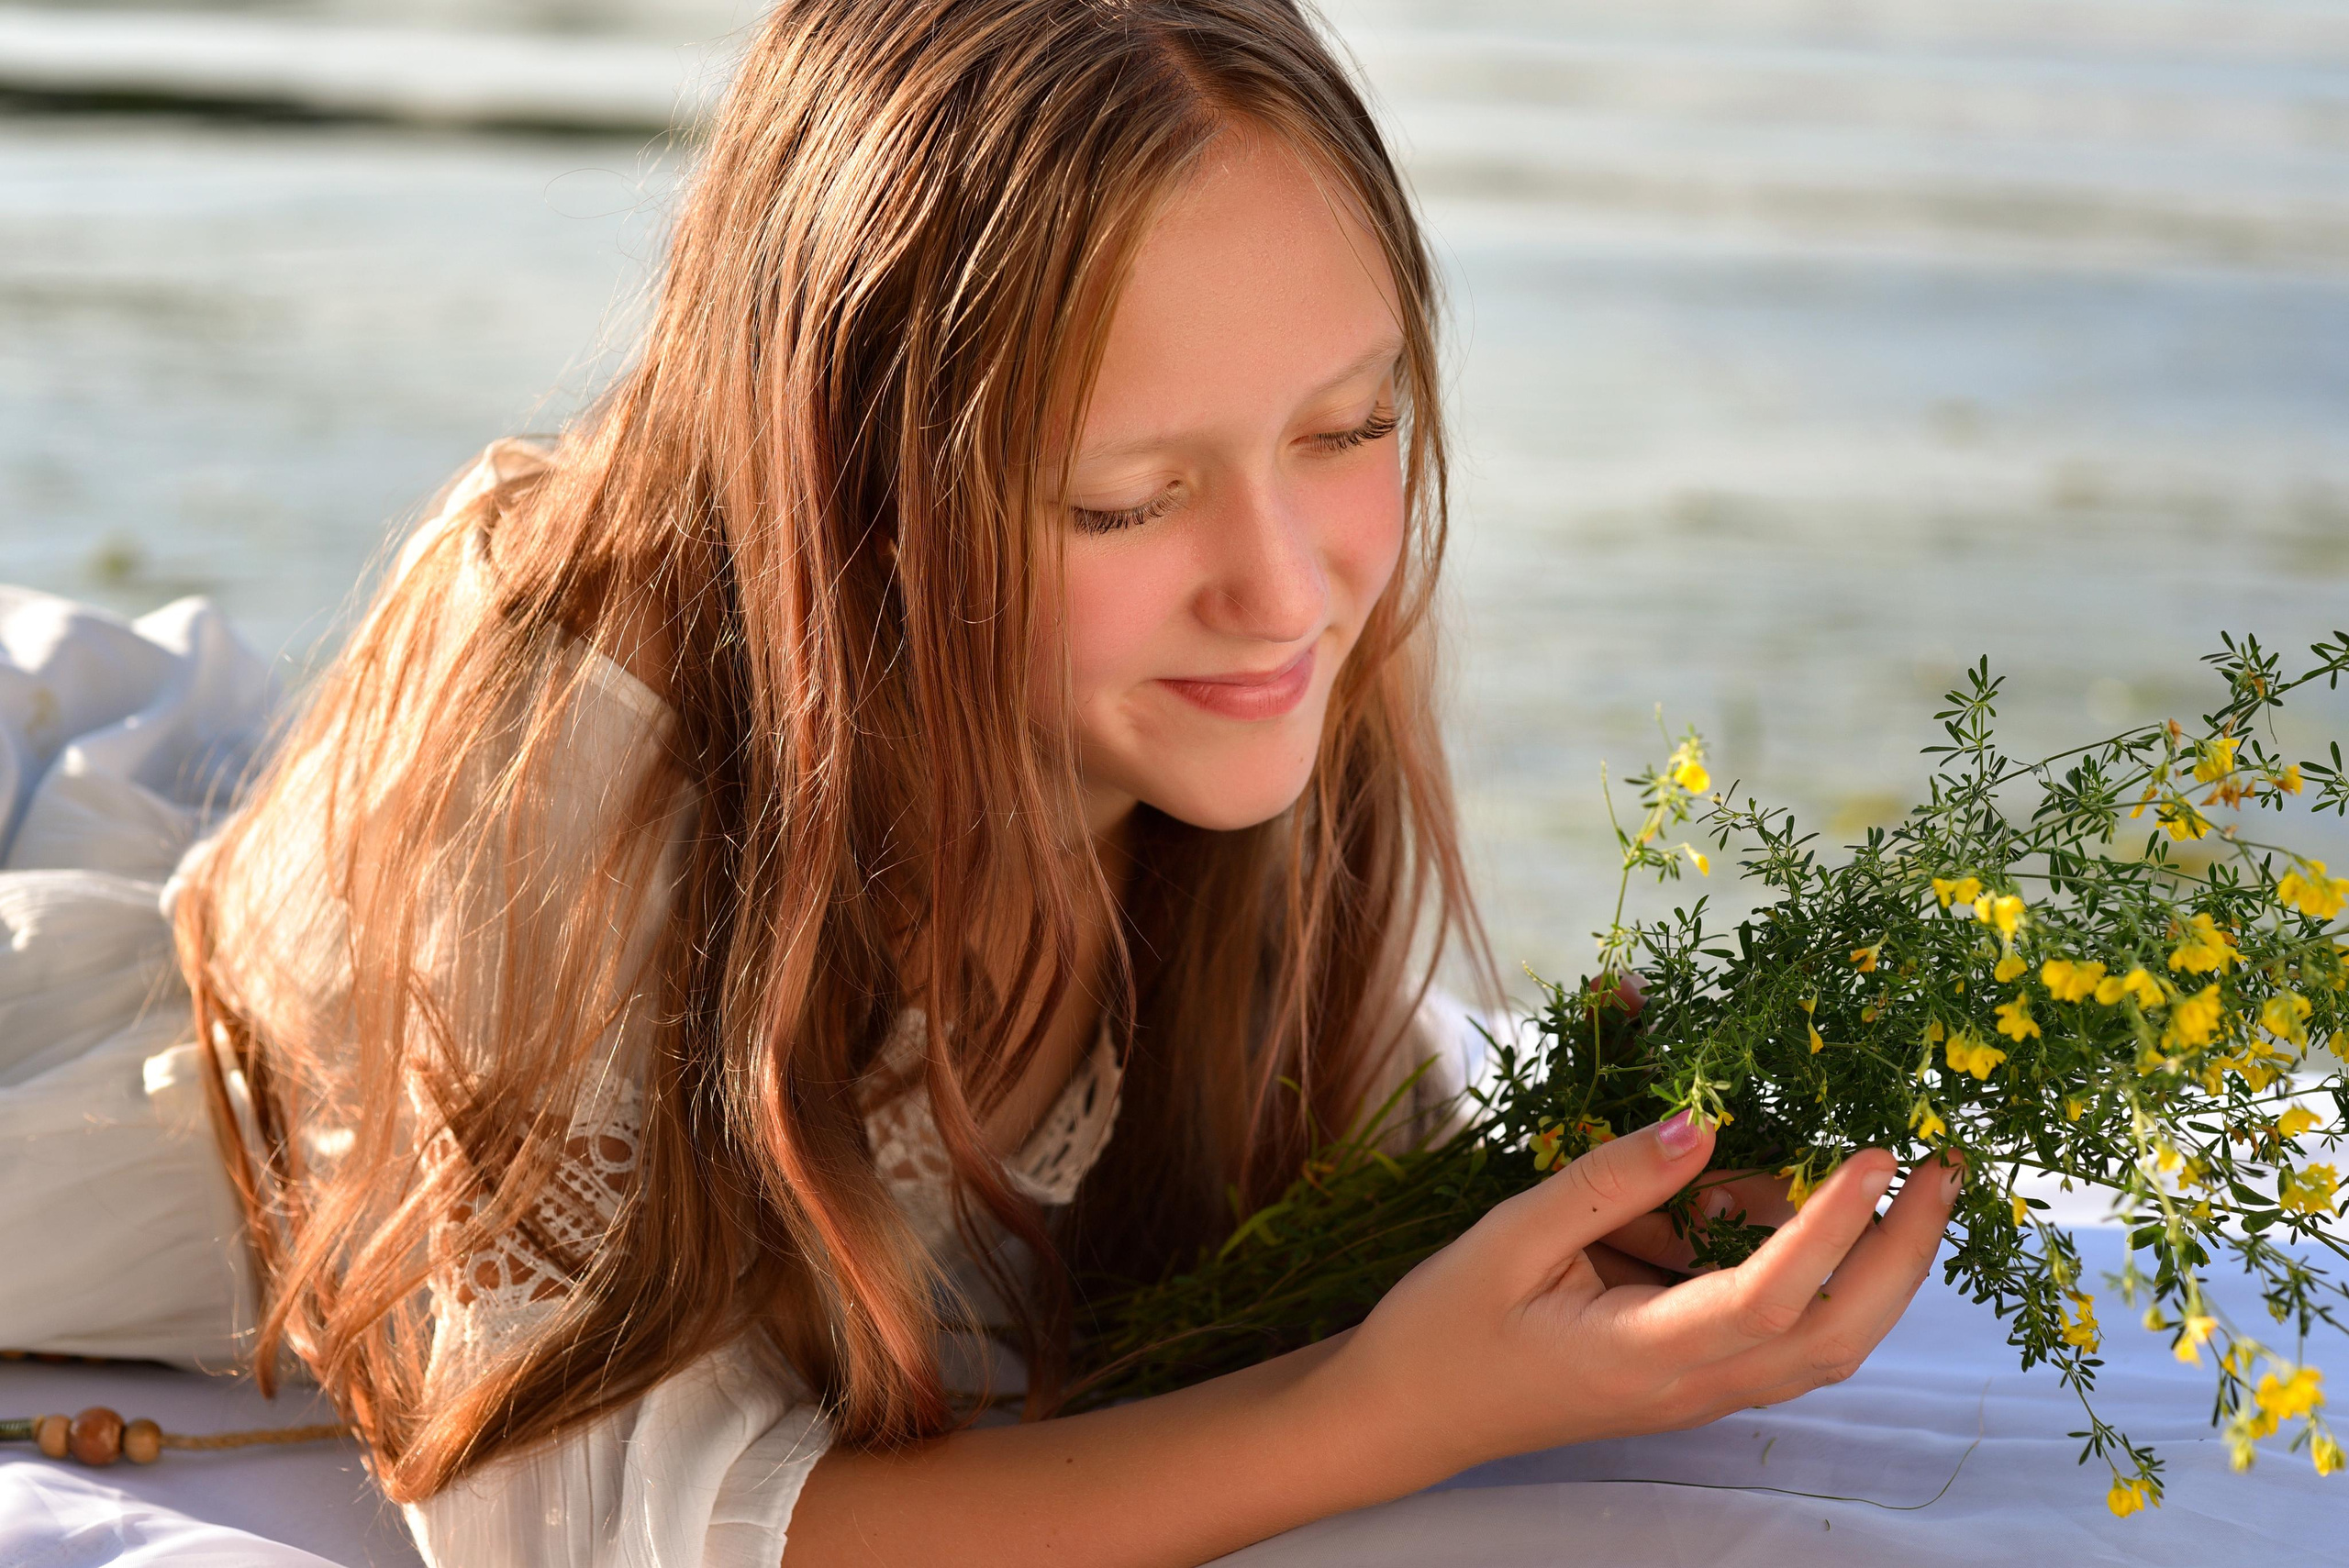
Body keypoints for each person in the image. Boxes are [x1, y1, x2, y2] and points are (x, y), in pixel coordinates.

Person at [0, 1, 1963, 1562]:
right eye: (1124, 498)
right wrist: (1382, 1412)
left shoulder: (1235, 676)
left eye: (1349, 425)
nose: (1285, 586)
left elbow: (1321, 1159)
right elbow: (613, 1529)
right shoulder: (566, 743)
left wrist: (1596, 1199)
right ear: (848, 497)